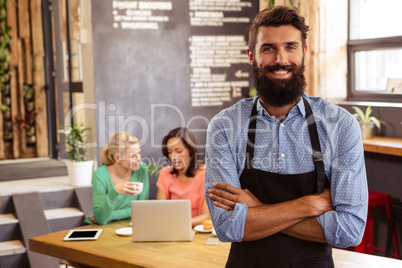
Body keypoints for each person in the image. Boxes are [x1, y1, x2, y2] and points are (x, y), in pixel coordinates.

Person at [205, 6, 368, 267]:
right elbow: (227, 227)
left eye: (290, 46)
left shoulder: (341, 125)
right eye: (268, 48)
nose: (281, 59)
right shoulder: (225, 126)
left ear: (304, 52)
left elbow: (349, 230)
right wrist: (309, 205)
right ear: (251, 56)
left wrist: (255, 210)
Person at [85, 132, 149, 225]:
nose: (139, 158)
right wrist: (114, 192)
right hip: (103, 227)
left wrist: (111, 215)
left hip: (131, 225)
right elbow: (101, 219)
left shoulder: (141, 169)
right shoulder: (100, 175)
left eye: (139, 153)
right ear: (118, 158)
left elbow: (142, 209)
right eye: (133, 156)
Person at [156, 127, 210, 227]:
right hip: (171, 231)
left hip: (197, 233)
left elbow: (206, 216)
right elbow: (160, 211)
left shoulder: (206, 175)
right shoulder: (165, 173)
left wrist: (178, 224)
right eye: (170, 152)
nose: (173, 157)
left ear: (190, 150)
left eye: (179, 151)